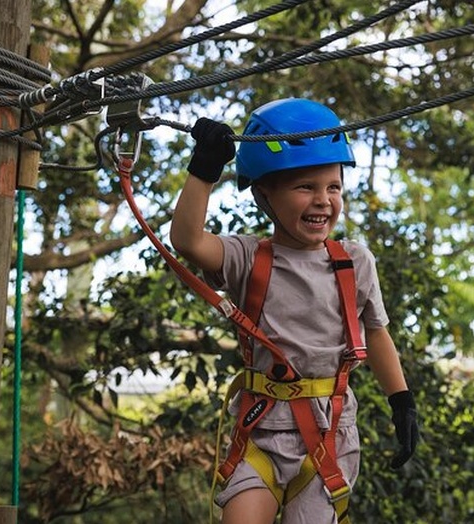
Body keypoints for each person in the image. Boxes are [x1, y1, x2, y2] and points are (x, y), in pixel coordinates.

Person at [170, 98, 419, 524]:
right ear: (265, 193)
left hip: (328, 433)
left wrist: (402, 401)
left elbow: (375, 332)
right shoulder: (246, 257)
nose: (323, 201)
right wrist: (204, 168)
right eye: (306, 187)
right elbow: (189, 241)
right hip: (260, 429)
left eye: (333, 187)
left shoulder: (354, 262)